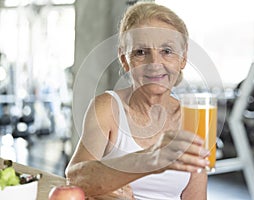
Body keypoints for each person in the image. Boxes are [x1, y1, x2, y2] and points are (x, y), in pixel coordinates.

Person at [66, 2, 210, 200]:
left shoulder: (194, 119)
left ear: (183, 58)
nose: (155, 64)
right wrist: (150, 159)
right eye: (141, 52)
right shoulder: (108, 108)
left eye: (167, 51)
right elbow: (75, 177)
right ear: (125, 60)